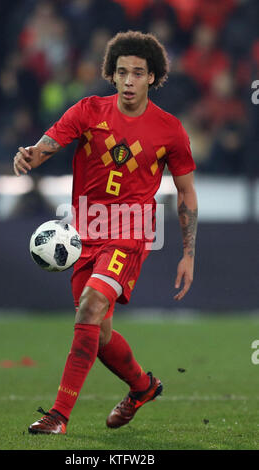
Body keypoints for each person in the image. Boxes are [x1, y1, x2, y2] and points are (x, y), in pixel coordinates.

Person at [13, 31, 198, 435]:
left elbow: (186, 193)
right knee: (98, 333)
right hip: (84, 233)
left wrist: (188, 253)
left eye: (137, 73)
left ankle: (58, 416)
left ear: (153, 77)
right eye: (121, 73)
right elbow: (51, 141)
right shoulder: (88, 110)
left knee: (90, 308)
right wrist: (30, 154)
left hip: (130, 232)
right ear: (111, 76)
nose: (129, 80)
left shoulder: (170, 130)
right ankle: (142, 386)